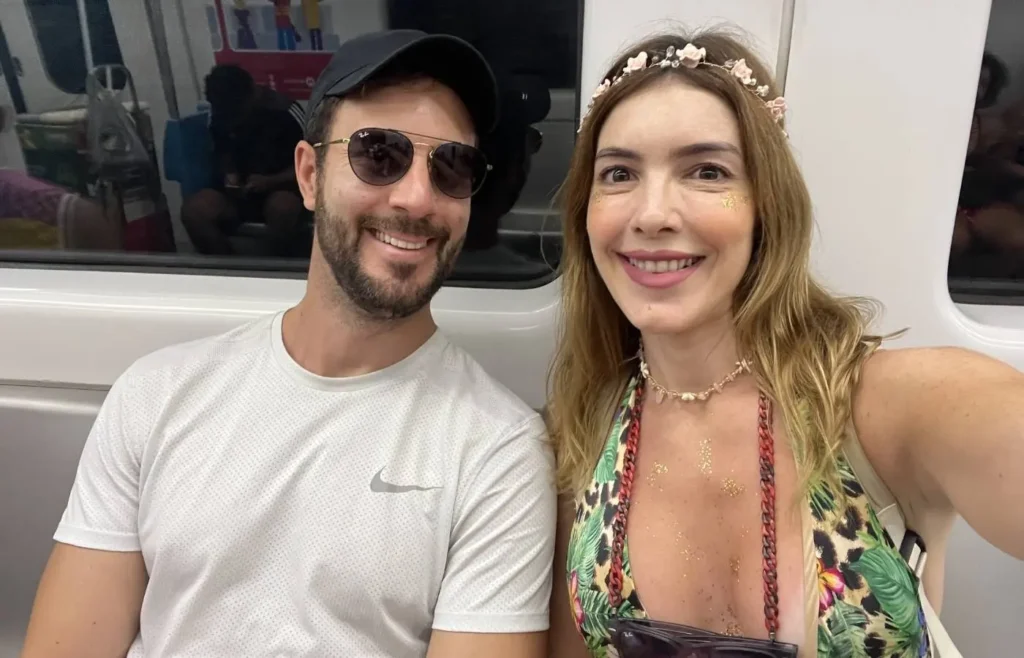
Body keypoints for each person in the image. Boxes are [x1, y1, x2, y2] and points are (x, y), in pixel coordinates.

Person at [20, 29, 555, 658]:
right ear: (308, 174)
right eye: (378, 155)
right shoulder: (157, 394)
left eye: (452, 167)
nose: (416, 197)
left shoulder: (497, 452)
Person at [545, 30, 1024, 658]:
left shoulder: (890, 406)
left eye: (706, 171)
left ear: (766, 205)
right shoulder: (583, 428)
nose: (652, 213)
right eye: (619, 173)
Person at [181, 64, 308, 256]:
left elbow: (315, 164)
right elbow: (222, 152)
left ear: (250, 96)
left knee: (282, 208)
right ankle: (228, 271)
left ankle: (279, 269)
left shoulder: (285, 112)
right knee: (194, 211)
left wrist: (270, 181)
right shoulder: (220, 112)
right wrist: (230, 175)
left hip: (282, 188)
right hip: (239, 193)